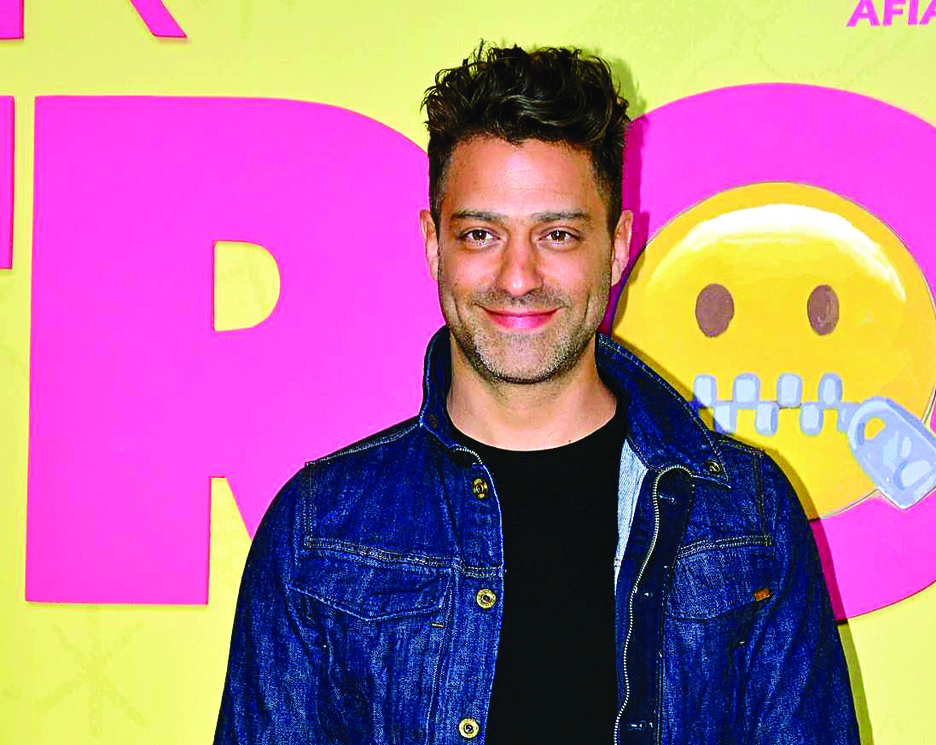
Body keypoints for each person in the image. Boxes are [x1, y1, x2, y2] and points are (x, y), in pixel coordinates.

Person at [214, 44, 859, 745]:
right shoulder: (319, 529)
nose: (518, 276)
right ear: (433, 245)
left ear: (618, 246)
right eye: (480, 234)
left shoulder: (746, 513)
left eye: (557, 234)